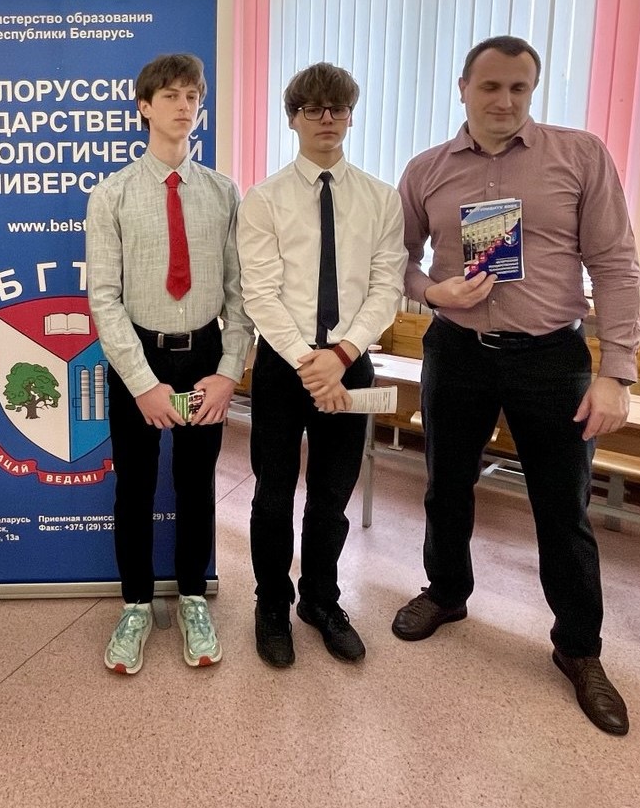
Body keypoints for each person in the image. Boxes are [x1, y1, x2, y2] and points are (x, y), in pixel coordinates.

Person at [394, 35, 640, 736]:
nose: (504, 101)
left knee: (562, 508)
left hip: (551, 358)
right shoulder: (426, 170)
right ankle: (447, 593)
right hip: (458, 352)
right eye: (490, 87)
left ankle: (579, 649)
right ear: (463, 88)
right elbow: (397, 261)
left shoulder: (580, 156)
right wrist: (432, 291)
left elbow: (616, 264)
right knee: (446, 486)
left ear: (532, 90)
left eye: (519, 88)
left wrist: (617, 372)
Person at [86, 53, 252, 675]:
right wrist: (142, 384)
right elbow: (104, 298)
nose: (184, 106)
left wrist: (229, 371)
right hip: (140, 355)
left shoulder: (223, 192)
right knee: (133, 486)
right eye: (171, 96)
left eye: (193, 97)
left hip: (204, 354)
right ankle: (134, 604)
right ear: (144, 107)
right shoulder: (113, 194)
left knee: (196, 483)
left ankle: (191, 598)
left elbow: (239, 292)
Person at [237, 63, 405, 668]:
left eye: (338, 108)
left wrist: (342, 354)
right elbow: (259, 292)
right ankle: (271, 605)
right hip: (284, 367)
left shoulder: (381, 199)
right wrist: (310, 362)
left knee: (332, 496)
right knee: (273, 495)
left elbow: (386, 288)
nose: (327, 118)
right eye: (313, 109)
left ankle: (321, 600)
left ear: (351, 116)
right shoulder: (264, 199)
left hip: (349, 364)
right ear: (294, 119)